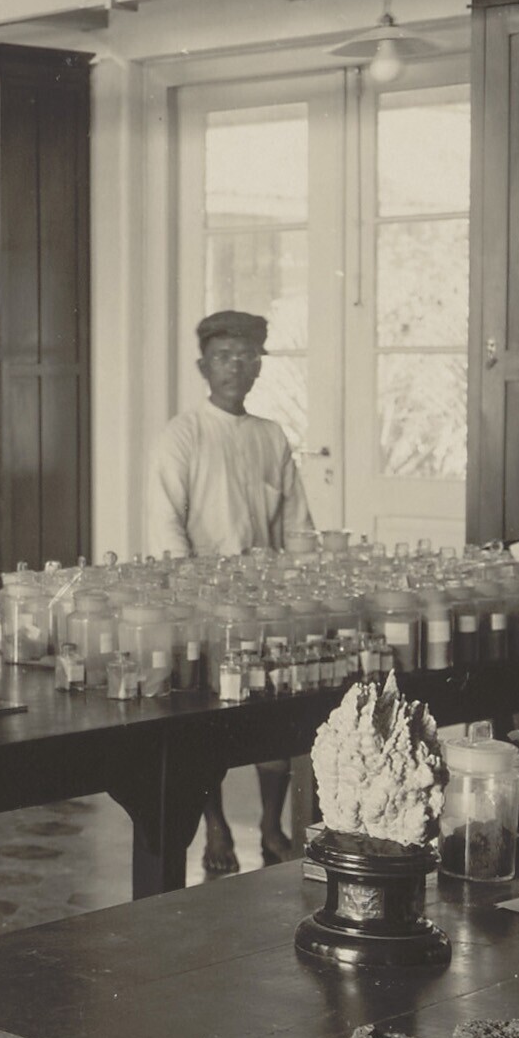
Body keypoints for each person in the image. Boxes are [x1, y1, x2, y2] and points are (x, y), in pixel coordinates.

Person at [149, 308, 316, 876]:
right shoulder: (184, 434)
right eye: (223, 356)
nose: (235, 367)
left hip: (267, 602)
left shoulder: (271, 437)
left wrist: (301, 583)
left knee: (277, 714)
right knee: (210, 721)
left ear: (259, 366)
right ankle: (215, 825)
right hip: (206, 602)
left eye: (246, 357)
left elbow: (297, 525)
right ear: (203, 366)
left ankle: (271, 824)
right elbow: (166, 524)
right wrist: (190, 592)